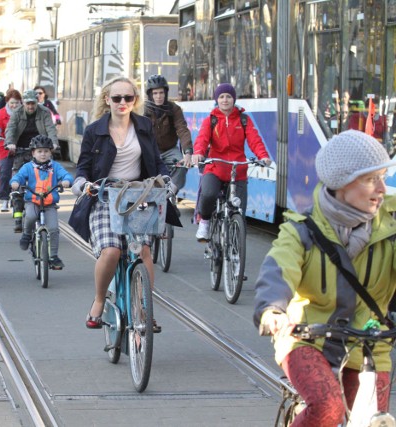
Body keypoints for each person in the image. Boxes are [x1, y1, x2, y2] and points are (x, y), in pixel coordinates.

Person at [253, 130, 396, 427]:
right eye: (371, 179)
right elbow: (279, 268)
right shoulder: (303, 230)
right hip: (308, 340)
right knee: (328, 408)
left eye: (383, 177)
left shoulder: (391, 227)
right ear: (342, 184)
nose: (382, 188)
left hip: (371, 344)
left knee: (374, 422)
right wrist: (272, 309)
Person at [69, 76, 180, 332]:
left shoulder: (144, 126)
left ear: (135, 100)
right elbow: (83, 167)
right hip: (105, 195)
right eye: (116, 98)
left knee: (143, 251)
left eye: (128, 98)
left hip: (138, 196)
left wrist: (165, 179)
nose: (122, 102)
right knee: (111, 251)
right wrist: (83, 183)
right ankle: (99, 301)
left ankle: (145, 308)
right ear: (107, 100)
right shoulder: (94, 130)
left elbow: (156, 160)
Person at [191, 83, 271, 241]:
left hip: (237, 171)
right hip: (215, 168)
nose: (225, 100)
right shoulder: (211, 120)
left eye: (228, 96)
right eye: (221, 97)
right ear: (217, 100)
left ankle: (235, 244)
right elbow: (202, 139)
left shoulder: (244, 120)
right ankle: (205, 223)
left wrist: (263, 156)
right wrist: (198, 153)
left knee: (239, 210)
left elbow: (255, 140)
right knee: (208, 194)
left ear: (233, 99)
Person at [10, 135, 73, 270]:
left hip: (49, 203)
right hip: (33, 201)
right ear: (33, 153)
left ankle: (54, 257)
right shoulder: (28, 167)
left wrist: (67, 181)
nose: (43, 154)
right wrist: (15, 183)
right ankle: (27, 234)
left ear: (51, 152)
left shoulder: (55, 167)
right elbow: (18, 177)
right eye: (39, 151)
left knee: (54, 229)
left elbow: (66, 175)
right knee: (31, 216)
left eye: (46, 151)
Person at [5, 89, 59, 233]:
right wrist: (10, 143)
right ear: (23, 103)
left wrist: (53, 143)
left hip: (40, 149)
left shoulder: (44, 112)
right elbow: (10, 129)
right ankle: (17, 216)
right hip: (21, 149)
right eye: (28, 104)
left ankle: (48, 207)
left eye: (33, 104)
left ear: (37, 102)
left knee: (47, 179)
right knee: (18, 183)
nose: (30, 107)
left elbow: (50, 129)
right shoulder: (17, 113)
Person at [143, 74, 193, 196]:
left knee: (182, 165)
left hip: (170, 149)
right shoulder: (143, 110)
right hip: (150, 150)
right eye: (155, 93)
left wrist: (187, 152)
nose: (158, 96)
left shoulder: (173, 109)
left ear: (165, 93)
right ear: (150, 94)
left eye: (161, 93)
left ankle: (170, 192)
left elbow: (182, 129)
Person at [0, 89, 22, 212]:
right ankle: (4, 199)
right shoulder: (2, 112)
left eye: (16, 103)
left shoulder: (24, 112)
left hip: (20, 146)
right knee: (5, 173)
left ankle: (19, 199)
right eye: (12, 103)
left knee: (23, 173)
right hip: (4, 146)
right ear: (7, 102)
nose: (14, 105)